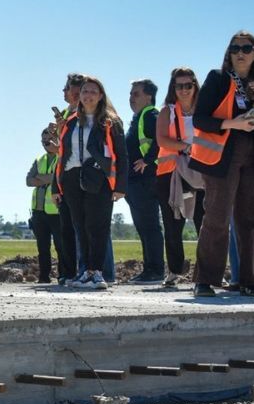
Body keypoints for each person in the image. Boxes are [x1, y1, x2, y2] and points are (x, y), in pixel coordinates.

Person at [189, 31, 254, 298]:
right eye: (235, 48)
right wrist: (234, 124)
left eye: (246, 48)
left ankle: (249, 281)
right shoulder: (218, 79)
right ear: (229, 53)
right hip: (224, 158)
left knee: (250, 221)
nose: (240, 53)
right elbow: (200, 119)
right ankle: (205, 281)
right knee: (217, 219)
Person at [55, 76, 127, 290]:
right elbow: (61, 154)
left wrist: (120, 186)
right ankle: (84, 271)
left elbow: (122, 155)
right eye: (85, 91)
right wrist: (56, 186)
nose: (88, 95)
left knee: (98, 225)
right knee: (80, 226)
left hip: (98, 178)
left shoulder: (110, 122)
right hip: (71, 177)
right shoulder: (70, 123)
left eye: (93, 92)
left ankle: (97, 271)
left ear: (101, 96)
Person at [154, 67, 206, 286]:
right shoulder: (168, 111)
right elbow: (162, 140)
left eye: (188, 85)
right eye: (179, 86)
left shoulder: (205, 109)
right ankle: (175, 270)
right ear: (173, 88)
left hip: (202, 172)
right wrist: (185, 147)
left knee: (204, 221)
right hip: (172, 175)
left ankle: (207, 272)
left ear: (195, 86)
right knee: (173, 223)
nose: (184, 90)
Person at [125, 79, 164, 284]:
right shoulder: (138, 117)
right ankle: (149, 269)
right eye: (131, 94)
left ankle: (156, 270)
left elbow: (161, 138)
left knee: (149, 226)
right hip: (134, 182)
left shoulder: (150, 115)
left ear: (148, 96)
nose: (131, 98)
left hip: (145, 181)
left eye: (136, 94)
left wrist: (148, 160)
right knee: (143, 227)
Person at [27, 127, 65, 283]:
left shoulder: (62, 157)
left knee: (61, 246)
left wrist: (41, 178)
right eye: (43, 141)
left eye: (48, 140)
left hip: (56, 211)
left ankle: (64, 275)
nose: (45, 144)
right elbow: (29, 180)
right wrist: (48, 178)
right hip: (39, 211)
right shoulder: (39, 160)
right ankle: (44, 276)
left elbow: (59, 177)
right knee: (42, 248)